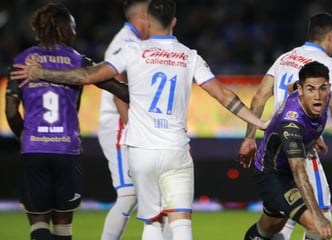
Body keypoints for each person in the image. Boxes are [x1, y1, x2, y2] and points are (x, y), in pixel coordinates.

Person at [10, 0, 269, 239]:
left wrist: (41, 72)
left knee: (152, 221)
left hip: (140, 151)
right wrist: (256, 121)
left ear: (146, 21)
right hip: (174, 148)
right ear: (174, 22)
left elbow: (87, 76)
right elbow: (223, 95)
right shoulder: (189, 56)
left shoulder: (132, 51)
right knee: (180, 222)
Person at [5, 3, 130, 240]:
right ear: (63, 29)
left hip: (34, 149)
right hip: (66, 150)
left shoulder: (21, 61)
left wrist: (24, 135)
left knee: (38, 222)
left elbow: (11, 111)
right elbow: (123, 92)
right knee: (63, 225)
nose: (74, 32)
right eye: (72, 27)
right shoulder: (79, 61)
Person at [237, 12, 332, 239]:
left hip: (276, 146)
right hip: (299, 148)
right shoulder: (328, 64)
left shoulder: (285, 58)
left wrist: (249, 138)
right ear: (331, 36)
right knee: (321, 221)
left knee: (284, 217)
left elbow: (259, 98)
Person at [243, 61, 332, 240]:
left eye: (322, 88)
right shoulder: (291, 124)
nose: (317, 95)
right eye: (310, 89)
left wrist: (315, 136)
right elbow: (299, 171)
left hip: (284, 169)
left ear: (328, 87)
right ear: (301, 90)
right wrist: (317, 215)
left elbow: (290, 85)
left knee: (269, 229)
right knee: (317, 227)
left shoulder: (322, 95)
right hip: (273, 175)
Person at [97, 1, 152, 239]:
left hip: (131, 123)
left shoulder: (137, 41)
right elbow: (116, 82)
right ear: (142, 15)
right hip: (121, 123)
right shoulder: (125, 42)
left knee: (152, 195)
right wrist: (133, 127)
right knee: (129, 194)